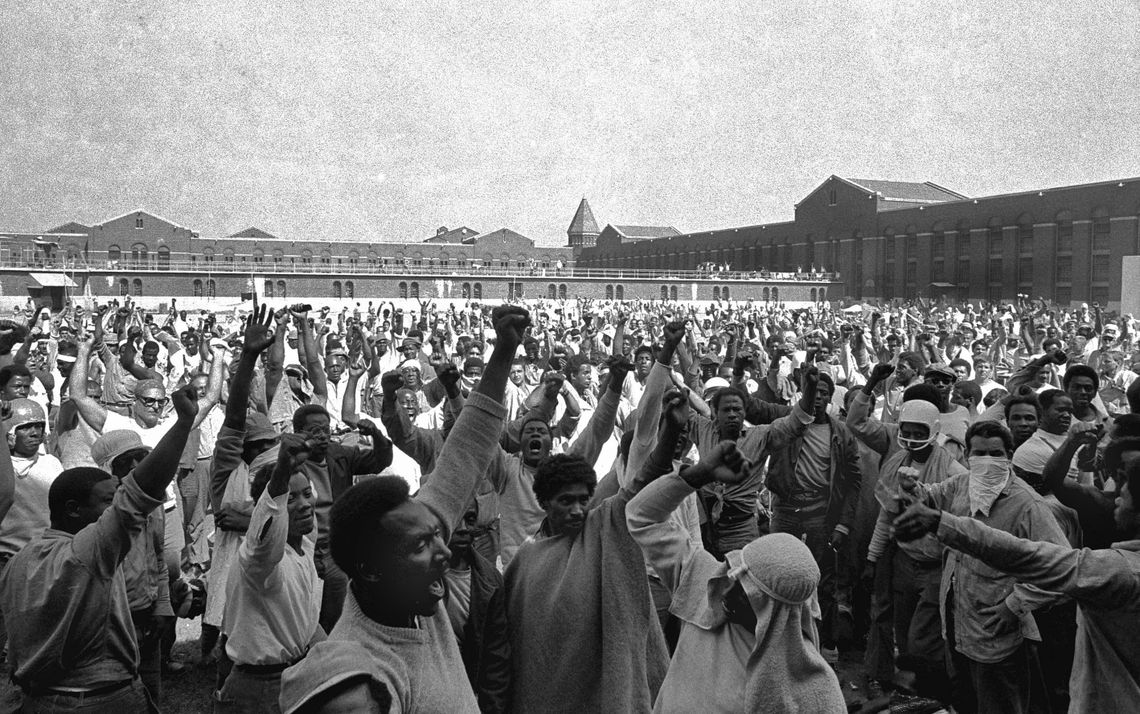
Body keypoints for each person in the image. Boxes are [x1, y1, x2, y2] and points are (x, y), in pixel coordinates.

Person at [278, 305, 527, 713]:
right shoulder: (361, 675)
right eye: (421, 546)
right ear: (371, 569)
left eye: (434, 536)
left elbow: (468, 447)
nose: (445, 551)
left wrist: (503, 351)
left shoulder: (407, 584)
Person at [0, 384, 197, 712]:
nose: (116, 503)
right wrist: (183, 423)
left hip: (40, 699)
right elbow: (139, 493)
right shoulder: (88, 552)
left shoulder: (19, 561)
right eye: (109, 500)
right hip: (98, 700)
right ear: (74, 510)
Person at [892, 456, 1140, 712]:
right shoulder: (960, 485)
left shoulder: (1121, 570)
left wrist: (940, 522)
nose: (1116, 499)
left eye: (1124, 494)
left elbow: (1029, 556)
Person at [627, 434, 846, 713]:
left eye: (747, 593)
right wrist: (698, 474)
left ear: (775, 612)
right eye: (735, 576)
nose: (728, 591)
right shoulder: (708, 582)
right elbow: (641, 516)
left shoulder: (812, 689)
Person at [897, 420, 1070, 714]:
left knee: (999, 705)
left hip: (996, 632)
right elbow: (931, 496)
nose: (986, 461)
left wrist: (1016, 604)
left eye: (995, 453)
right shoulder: (963, 484)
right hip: (957, 620)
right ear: (967, 457)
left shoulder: (1028, 504)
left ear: (1010, 455)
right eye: (979, 454)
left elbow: (1061, 566)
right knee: (965, 701)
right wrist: (911, 487)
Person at [214, 430, 326, 714]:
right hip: (261, 690)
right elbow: (267, 527)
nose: (303, 505)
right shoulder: (259, 561)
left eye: (306, 494)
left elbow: (304, 621)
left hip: (298, 676)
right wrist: (282, 471)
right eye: (291, 499)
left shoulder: (305, 547)